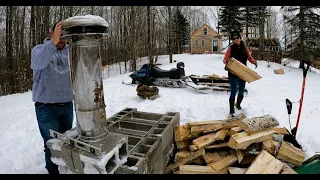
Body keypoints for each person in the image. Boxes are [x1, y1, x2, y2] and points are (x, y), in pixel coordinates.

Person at [31, 22, 74, 174]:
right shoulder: (39, 50)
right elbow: (39, 62)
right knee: (51, 145)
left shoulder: (71, 52)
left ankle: (66, 169)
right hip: (46, 107)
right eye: (60, 35)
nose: (63, 39)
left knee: (67, 142)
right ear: (52, 33)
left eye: (65, 36)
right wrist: (53, 43)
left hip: (67, 105)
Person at [223, 30, 258, 116]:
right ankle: (231, 110)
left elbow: (249, 57)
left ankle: (238, 105)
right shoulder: (230, 48)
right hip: (233, 73)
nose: (236, 40)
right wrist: (227, 61)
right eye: (234, 38)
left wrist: (254, 61)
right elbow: (225, 59)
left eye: (237, 38)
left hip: (243, 73)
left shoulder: (244, 47)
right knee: (234, 91)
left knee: (241, 91)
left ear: (240, 38)